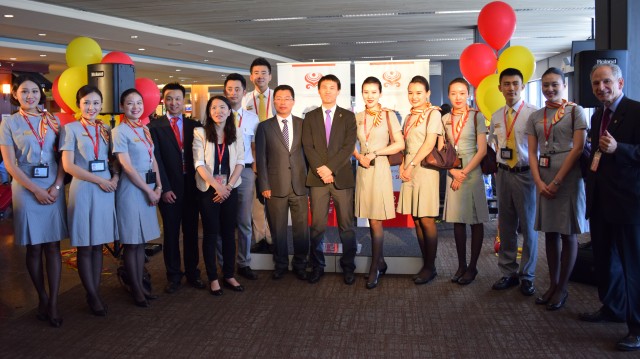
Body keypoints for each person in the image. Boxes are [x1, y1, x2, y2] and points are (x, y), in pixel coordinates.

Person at [580, 63, 640, 351]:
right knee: (604, 260)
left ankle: (637, 328)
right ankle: (612, 308)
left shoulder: (637, 111)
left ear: (620, 82)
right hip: (601, 200)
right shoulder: (597, 116)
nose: (601, 88)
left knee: (632, 266)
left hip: (628, 203)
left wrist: (621, 149)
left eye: (606, 82)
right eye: (595, 84)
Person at [0, 75, 67, 327]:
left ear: (41, 95)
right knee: (34, 246)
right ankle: (41, 296)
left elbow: (63, 158)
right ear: (15, 95)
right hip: (25, 186)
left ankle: (53, 303)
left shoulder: (53, 120)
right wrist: (35, 190)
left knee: (53, 245)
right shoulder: (9, 123)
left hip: (53, 184)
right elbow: (9, 164)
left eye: (35, 92)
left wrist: (56, 186)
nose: (30, 96)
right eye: (24, 92)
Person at [526, 68, 588, 310]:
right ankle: (552, 284)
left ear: (564, 85)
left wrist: (557, 181)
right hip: (544, 174)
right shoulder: (536, 116)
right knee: (550, 232)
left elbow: (579, 148)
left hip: (568, 176)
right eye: (545, 85)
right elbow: (532, 152)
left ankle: (563, 287)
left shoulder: (575, 111)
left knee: (567, 232)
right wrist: (539, 181)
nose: (550, 89)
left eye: (554, 84)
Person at [60, 85, 119, 316]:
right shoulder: (70, 129)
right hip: (84, 187)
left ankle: (94, 290)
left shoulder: (105, 128)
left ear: (101, 105)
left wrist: (114, 177)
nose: (91, 107)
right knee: (85, 245)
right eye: (86, 103)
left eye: (95, 103)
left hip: (105, 188)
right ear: (78, 105)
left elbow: (112, 160)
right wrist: (99, 180)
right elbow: (68, 166)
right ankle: (92, 295)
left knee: (99, 244)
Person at [148, 82, 204, 293]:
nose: (173, 103)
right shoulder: (154, 127)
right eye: (169, 98)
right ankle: (173, 276)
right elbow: (156, 160)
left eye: (178, 99)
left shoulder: (195, 126)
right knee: (171, 234)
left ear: (184, 101)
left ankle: (192, 273)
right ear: (164, 100)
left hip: (192, 188)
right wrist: (164, 188)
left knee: (191, 233)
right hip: (169, 189)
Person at [302, 74, 357, 285]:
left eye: (332, 87)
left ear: (338, 90)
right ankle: (317, 266)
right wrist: (321, 170)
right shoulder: (310, 117)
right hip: (317, 179)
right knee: (317, 226)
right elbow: (308, 147)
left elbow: (348, 148)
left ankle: (348, 267)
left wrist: (330, 169)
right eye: (324, 87)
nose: (327, 91)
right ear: (318, 90)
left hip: (341, 177)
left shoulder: (348, 116)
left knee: (347, 226)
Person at [489, 68, 539, 296]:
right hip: (503, 174)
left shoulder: (534, 114)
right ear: (500, 88)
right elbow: (494, 144)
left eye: (515, 83)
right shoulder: (497, 115)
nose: (511, 88)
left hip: (526, 173)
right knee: (507, 225)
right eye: (506, 84)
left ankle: (527, 275)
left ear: (522, 86)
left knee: (529, 226)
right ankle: (508, 272)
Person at [353, 76, 404, 289]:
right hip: (363, 169)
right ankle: (381, 262)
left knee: (376, 220)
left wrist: (375, 153)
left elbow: (399, 144)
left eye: (374, 92)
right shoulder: (357, 116)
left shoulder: (388, 115)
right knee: (369, 218)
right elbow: (349, 143)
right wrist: (358, 156)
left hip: (380, 166)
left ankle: (375, 266)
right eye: (366, 92)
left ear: (380, 93)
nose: (369, 96)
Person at [112, 88, 161, 307]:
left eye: (139, 103)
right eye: (130, 103)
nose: (135, 107)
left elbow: (153, 160)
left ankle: (141, 284)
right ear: (122, 107)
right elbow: (126, 166)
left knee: (141, 243)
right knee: (131, 243)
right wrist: (148, 190)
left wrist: (159, 185)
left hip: (149, 187)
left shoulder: (144, 129)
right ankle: (136, 289)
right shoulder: (119, 131)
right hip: (131, 190)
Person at [255, 85, 309, 281]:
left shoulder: (304, 124)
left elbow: (309, 155)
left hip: (300, 185)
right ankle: (280, 264)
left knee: (301, 229)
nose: (283, 102)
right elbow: (260, 159)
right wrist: (264, 185)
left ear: (293, 102)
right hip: (274, 187)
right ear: (273, 101)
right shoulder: (264, 126)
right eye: (279, 98)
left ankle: (301, 263)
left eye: (287, 98)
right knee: (277, 229)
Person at [193, 95, 245, 296]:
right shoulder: (200, 133)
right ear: (209, 111)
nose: (218, 111)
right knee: (211, 234)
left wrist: (228, 187)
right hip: (208, 190)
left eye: (222, 107)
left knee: (229, 234)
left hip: (230, 189)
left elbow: (240, 161)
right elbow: (199, 163)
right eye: (214, 108)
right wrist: (217, 187)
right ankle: (213, 278)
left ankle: (229, 274)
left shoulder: (236, 132)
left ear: (229, 111)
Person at [442, 78, 489, 285]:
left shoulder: (477, 116)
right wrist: (453, 171)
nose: (458, 97)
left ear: (468, 94)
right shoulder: (444, 119)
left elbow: (483, 150)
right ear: (448, 95)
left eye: (462, 93)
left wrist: (463, 172)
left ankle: (473, 266)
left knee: (475, 220)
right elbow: (441, 150)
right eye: (453, 93)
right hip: (453, 171)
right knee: (458, 220)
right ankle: (461, 265)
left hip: (472, 171)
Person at [396, 75, 442, 285]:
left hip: (424, 169)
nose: (414, 97)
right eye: (411, 93)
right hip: (410, 169)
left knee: (426, 219)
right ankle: (426, 263)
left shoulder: (432, 114)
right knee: (416, 219)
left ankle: (430, 267)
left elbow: (429, 143)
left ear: (427, 94)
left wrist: (411, 165)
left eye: (419, 93)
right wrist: (402, 166)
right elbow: (405, 145)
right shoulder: (408, 116)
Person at [223, 73, 259, 280]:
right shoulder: (217, 114)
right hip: (222, 172)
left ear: (244, 92)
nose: (233, 93)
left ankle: (243, 262)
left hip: (244, 172)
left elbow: (254, 148)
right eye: (230, 89)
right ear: (225, 91)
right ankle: (222, 263)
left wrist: (255, 171)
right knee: (223, 220)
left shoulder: (253, 118)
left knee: (244, 220)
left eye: (237, 89)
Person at [243, 57, 274, 252]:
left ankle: (272, 238)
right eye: (256, 73)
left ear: (270, 76)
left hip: (273, 157)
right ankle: (260, 238)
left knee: (273, 200)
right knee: (255, 200)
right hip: (251, 157)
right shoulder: (245, 100)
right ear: (251, 76)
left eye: (264, 73)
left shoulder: (278, 98)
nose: (260, 76)